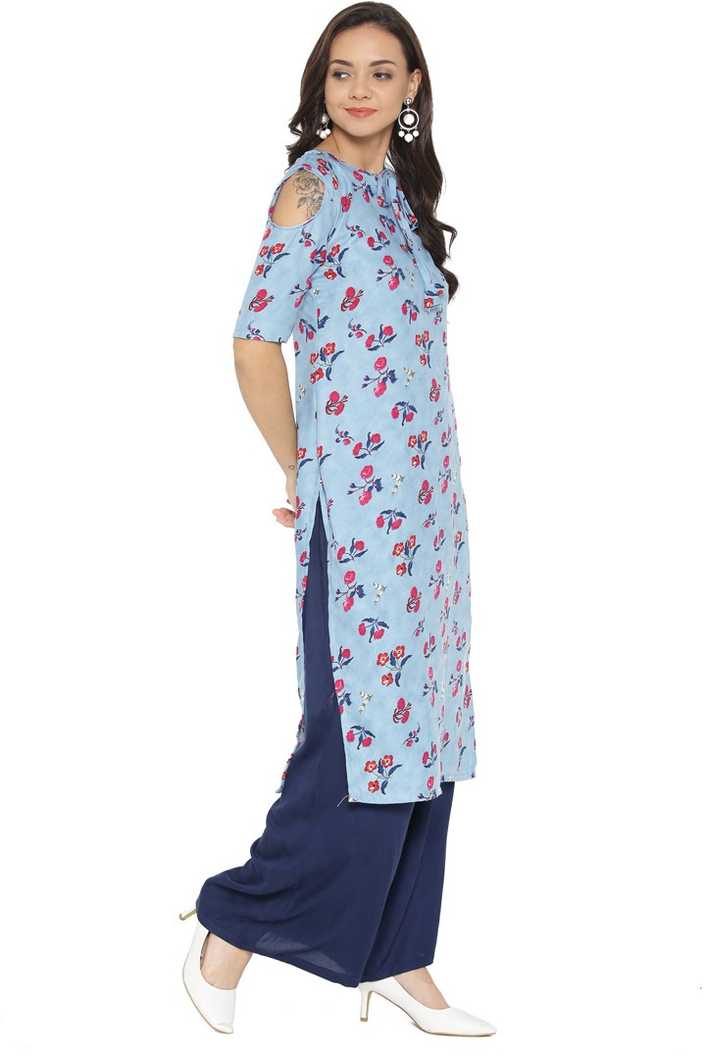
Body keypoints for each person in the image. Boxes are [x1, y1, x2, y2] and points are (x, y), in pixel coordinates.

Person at [180, 3, 496, 1038]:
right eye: (342, 72)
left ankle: (397, 953)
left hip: (428, 515)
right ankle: (232, 923)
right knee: (355, 736)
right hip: (358, 513)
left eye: (381, 72)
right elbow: (252, 342)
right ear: (321, 85)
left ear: (411, 90)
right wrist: (297, 461)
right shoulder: (308, 191)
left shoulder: (397, 192)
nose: (360, 90)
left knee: (426, 728)